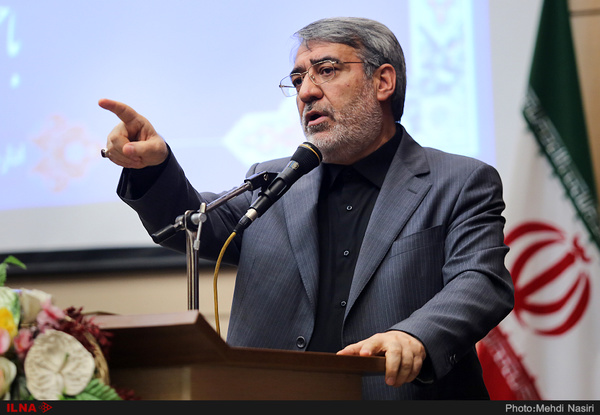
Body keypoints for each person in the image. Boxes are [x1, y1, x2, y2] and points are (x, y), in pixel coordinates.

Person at [98, 17, 514, 400]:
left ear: (383, 81)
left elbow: (480, 281)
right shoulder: (274, 180)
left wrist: (415, 336)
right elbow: (190, 224)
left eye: (326, 71)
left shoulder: (459, 181)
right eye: (298, 79)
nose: (306, 92)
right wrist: (152, 168)